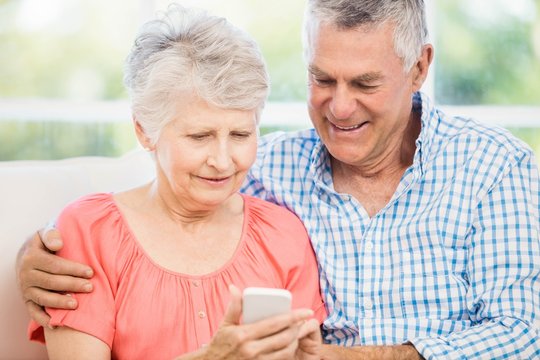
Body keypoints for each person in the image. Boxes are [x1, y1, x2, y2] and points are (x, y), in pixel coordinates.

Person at [17, 0, 540, 358]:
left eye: (365, 83)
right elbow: (153, 196)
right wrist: (34, 254)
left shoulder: (495, 169)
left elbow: (522, 338)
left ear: (420, 67)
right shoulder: (269, 168)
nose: (338, 106)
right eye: (321, 78)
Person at [22, 4, 326, 360]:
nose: (224, 160)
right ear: (144, 131)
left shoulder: (283, 235)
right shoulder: (89, 233)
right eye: (200, 136)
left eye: (241, 134)